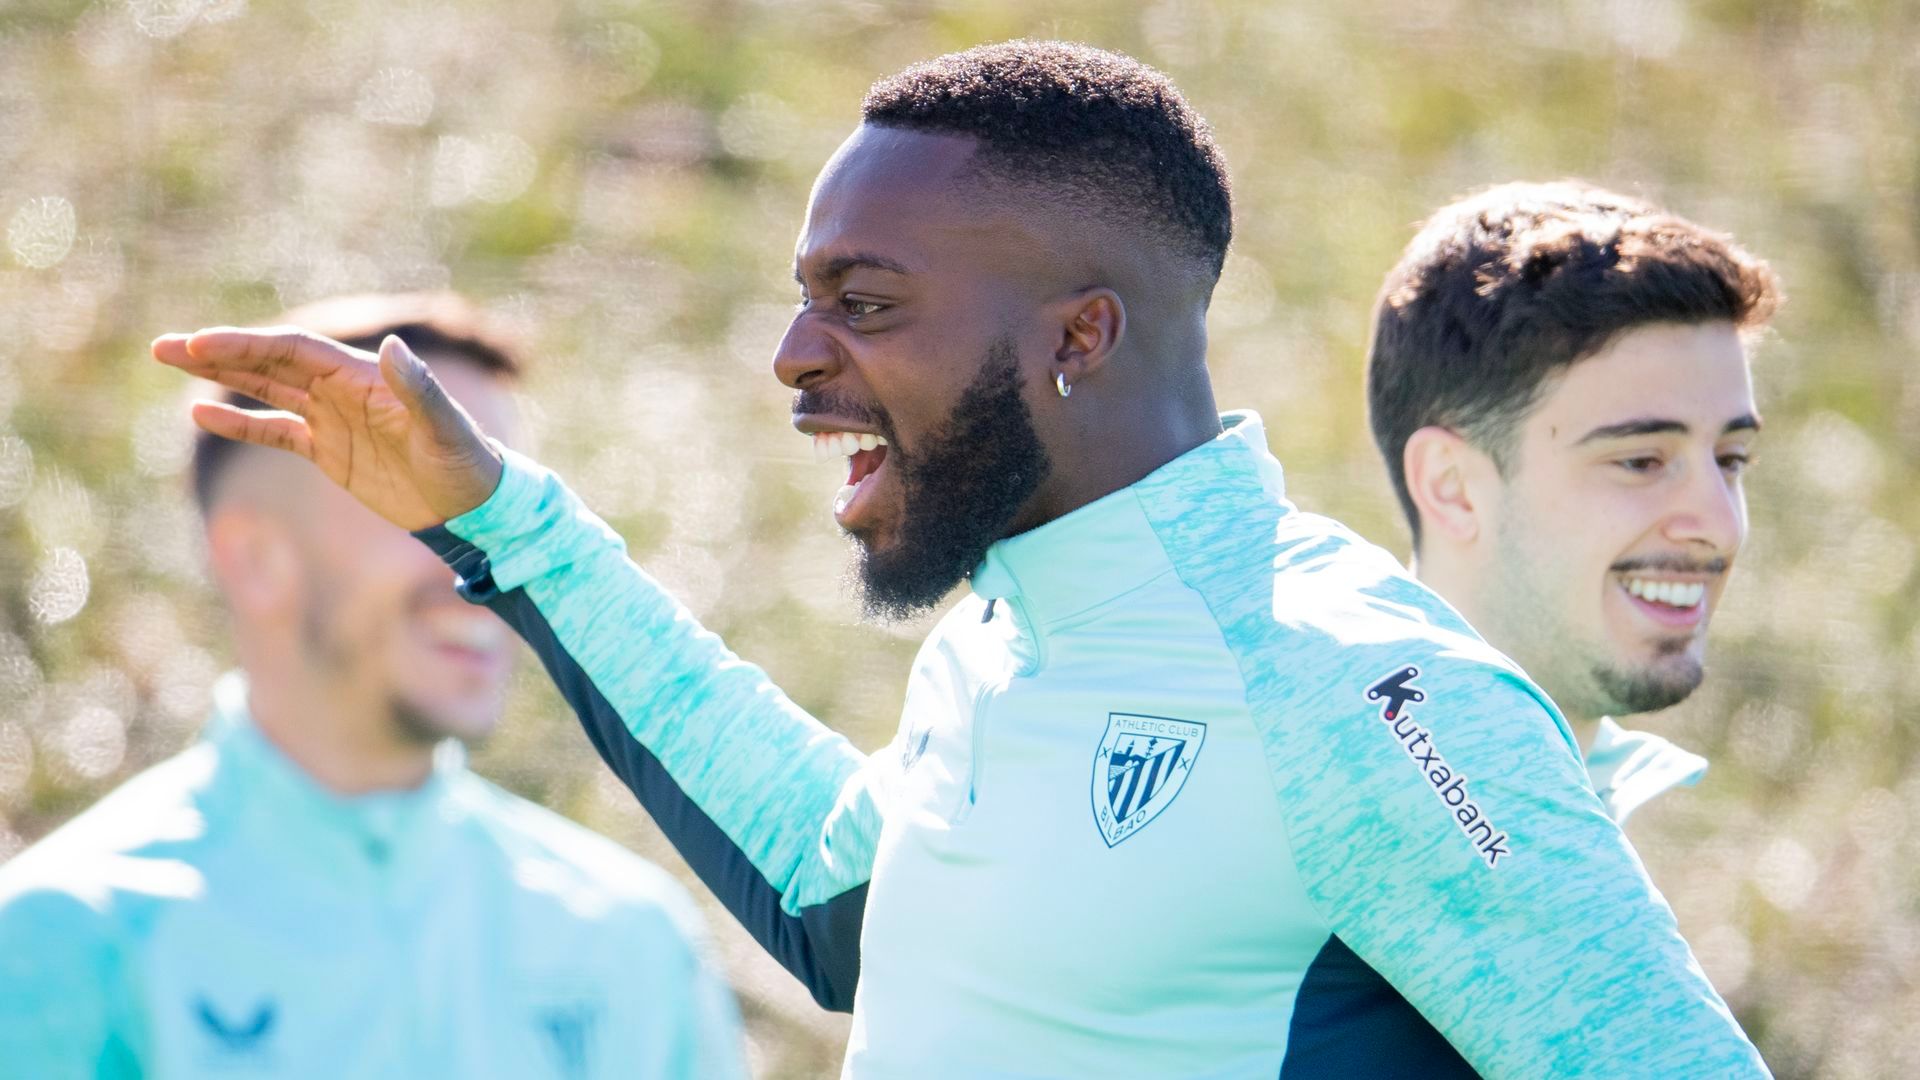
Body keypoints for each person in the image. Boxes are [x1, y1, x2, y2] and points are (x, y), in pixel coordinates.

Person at [153, 43, 1770, 1078]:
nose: (794, 355)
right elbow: (840, 898)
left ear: (1079, 336)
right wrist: (502, 518)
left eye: (863, 303)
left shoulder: (1361, 693)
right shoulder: (1009, 646)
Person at [0, 293, 746, 1079]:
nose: (494, 562)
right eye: (429, 502)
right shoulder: (68, 939)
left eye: (504, 509)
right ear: (257, 560)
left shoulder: (632, 942)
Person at [1366, 182, 1781, 824]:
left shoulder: (1600, 810)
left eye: (1730, 460)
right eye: (1641, 461)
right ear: (1451, 485)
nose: (1720, 526)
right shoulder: (1302, 839)